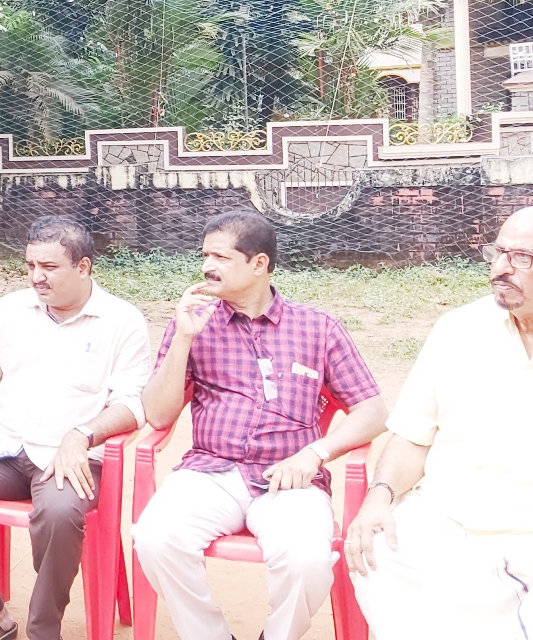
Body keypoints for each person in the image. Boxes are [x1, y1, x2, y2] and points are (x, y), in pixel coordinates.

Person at [132, 210, 388, 640]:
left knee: (306, 559)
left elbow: (373, 410)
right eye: (204, 256)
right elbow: (158, 415)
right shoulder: (195, 322)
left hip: (290, 479)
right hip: (210, 471)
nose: (206, 267)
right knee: (156, 538)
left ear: (259, 264)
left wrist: (315, 453)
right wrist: (183, 338)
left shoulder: (317, 328)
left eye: (220, 257)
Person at [0, 216, 153, 640]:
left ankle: (43, 629)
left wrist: (81, 434)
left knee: (60, 513)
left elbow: (132, 403)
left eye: (49, 267)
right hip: (5, 446)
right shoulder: (12, 309)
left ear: (82, 268)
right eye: (30, 266)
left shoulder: (122, 320)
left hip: (72, 458)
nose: (36, 277)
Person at [346, 208, 533, 640]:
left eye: (521, 257)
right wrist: (380, 495)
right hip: (448, 523)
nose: (501, 268)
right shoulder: (459, 329)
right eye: (499, 252)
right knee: (377, 553)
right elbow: (412, 437)